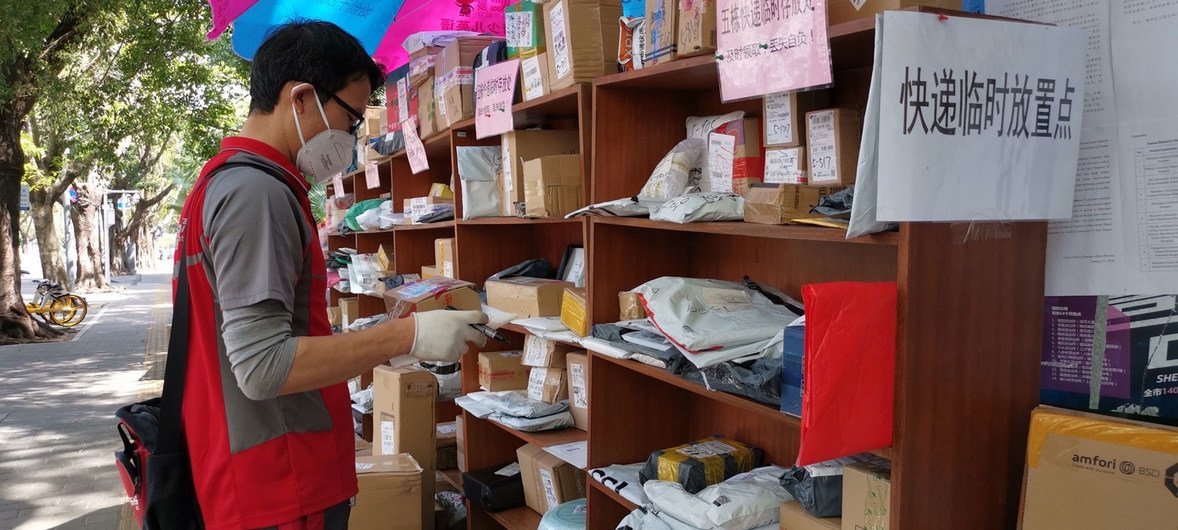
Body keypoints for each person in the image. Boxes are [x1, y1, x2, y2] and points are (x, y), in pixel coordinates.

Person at [173, 21, 486, 529]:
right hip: (279, 485)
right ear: (300, 99)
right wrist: (409, 334)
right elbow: (263, 366)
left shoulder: (232, 183)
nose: (351, 137)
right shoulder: (256, 195)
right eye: (351, 118)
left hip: (260, 477)